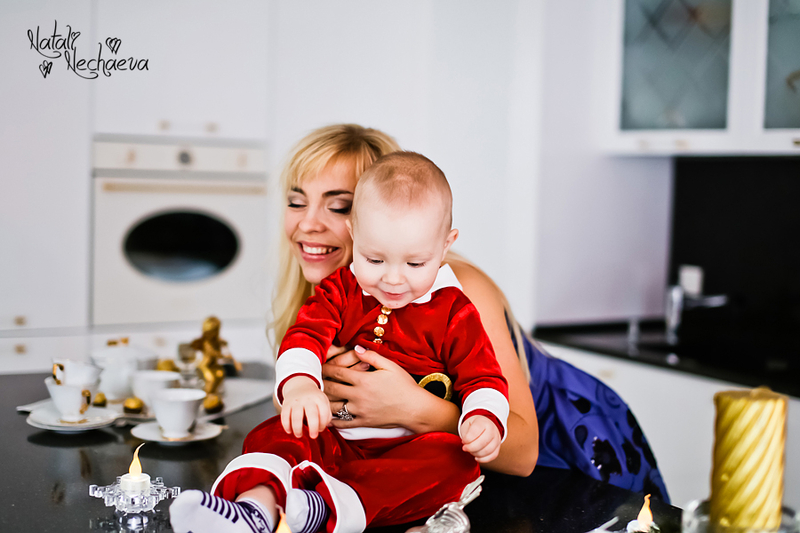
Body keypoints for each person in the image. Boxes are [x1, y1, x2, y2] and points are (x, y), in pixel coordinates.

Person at [170, 123, 668, 532]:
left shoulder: (457, 292)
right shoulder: (335, 292)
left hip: (571, 450)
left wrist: (413, 408)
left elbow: (521, 453)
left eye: (338, 205)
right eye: (297, 201)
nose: (309, 223)